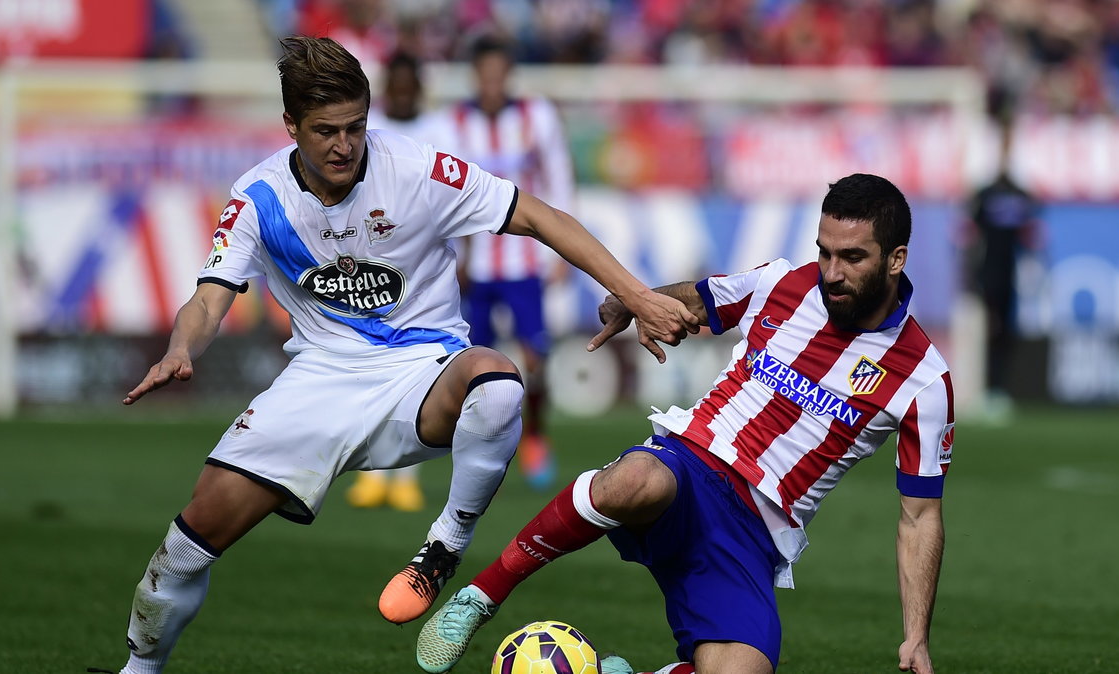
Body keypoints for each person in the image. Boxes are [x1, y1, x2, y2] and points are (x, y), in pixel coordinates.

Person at [112, 36, 697, 674]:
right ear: (290, 128)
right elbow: (208, 300)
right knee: (184, 551)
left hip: (424, 372)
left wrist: (636, 294)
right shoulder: (258, 198)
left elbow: (539, 217)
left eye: (355, 127)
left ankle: (445, 546)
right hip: (317, 384)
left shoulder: (419, 170)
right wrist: (179, 347)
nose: (344, 145)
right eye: (325, 131)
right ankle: (139, 668)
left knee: (500, 384)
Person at [415, 174, 954, 674]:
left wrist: (916, 636)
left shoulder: (924, 380)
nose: (831, 272)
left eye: (852, 257)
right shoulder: (784, 283)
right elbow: (700, 297)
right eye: (825, 252)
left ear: (896, 259)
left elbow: (920, 517)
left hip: (756, 531)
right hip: (692, 464)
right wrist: (637, 300)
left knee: (744, 670)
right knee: (633, 480)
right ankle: (480, 596)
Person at [443, 35, 576, 490]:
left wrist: (562, 250)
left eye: (501, 73)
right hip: (475, 267)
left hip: (525, 261)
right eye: (486, 73)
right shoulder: (455, 122)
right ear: (476, 76)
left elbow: (558, 178)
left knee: (536, 354)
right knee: (473, 361)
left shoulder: (535, 116)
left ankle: (536, 436)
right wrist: (456, 253)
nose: (494, 82)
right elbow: (446, 192)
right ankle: (476, 447)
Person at [344, 50, 447, 513]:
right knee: (368, 365)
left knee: (418, 369)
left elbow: (453, 201)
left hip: (422, 263)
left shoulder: (440, 131)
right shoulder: (366, 127)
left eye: (409, 87)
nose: (402, 94)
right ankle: (373, 472)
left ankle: (405, 477)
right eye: (396, 86)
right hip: (370, 260)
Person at [964, 116, 1040, 422]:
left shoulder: (1022, 196)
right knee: (984, 329)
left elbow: (1031, 237)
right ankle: (981, 387)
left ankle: (998, 389)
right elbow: (969, 236)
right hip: (987, 271)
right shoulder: (984, 195)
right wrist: (970, 273)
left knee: (1004, 331)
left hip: (1010, 273)